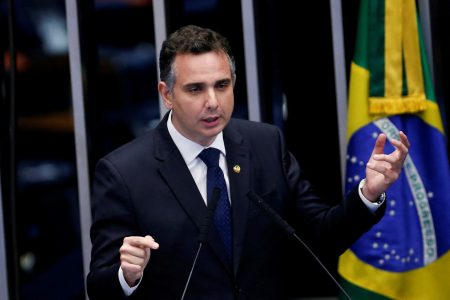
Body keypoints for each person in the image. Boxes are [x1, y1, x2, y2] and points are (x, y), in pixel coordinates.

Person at [86, 25, 410, 300]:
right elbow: (99, 287)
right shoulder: (124, 172)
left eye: (221, 85)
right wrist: (126, 276)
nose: (212, 102)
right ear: (167, 94)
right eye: (195, 89)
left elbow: (321, 236)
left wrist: (368, 193)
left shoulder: (265, 145)